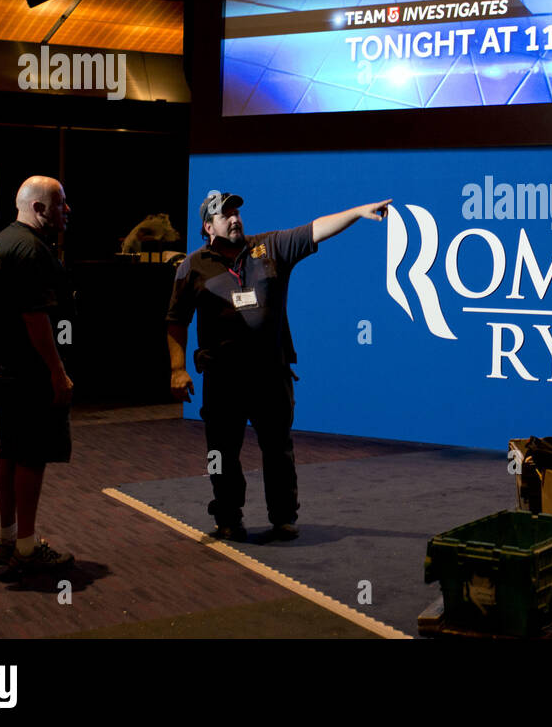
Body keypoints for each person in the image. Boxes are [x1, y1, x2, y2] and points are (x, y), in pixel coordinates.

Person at [166, 190, 391, 541]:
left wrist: (359, 212)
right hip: (223, 378)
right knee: (222, 454)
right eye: (225, 215)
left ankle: (284, 517)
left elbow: (315, 229)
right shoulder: (191, 266)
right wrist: (177, 369)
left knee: (278, 449)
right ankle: (227, 516)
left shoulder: (270, 247)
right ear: (208, 226)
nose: (235, 218)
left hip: (271, 373)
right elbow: (176, 320)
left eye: (237, 212)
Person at [0, 176, 76, 572]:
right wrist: (58, 372)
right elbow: (35, 318)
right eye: (60, 203)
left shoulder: (0, 242)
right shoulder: (33, 251)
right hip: (28, 373)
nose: (66, 210)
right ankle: (26, 547)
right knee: (31, 456)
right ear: (39, 208)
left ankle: (7, 538)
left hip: (3, 368)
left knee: (9, 451)